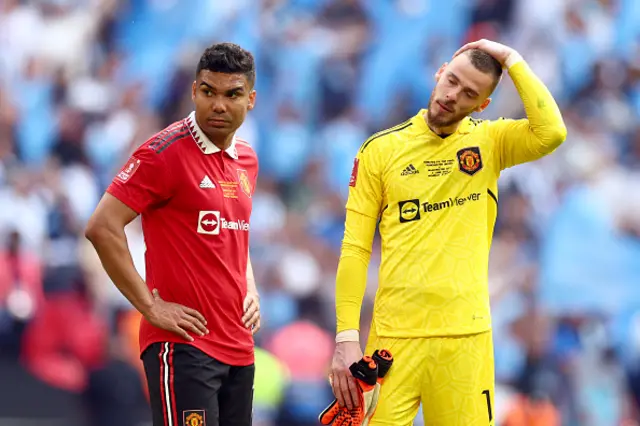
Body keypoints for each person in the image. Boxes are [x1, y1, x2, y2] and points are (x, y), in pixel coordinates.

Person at [328, 39, 568, 425]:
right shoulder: (379, 151)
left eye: (469, 93)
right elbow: (355, 248)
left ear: (482, 105)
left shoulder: (490, 143)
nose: (452, 95)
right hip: (393, 340)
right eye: (452, 80)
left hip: (464, 339)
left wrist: (512, 60)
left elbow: (552, 133)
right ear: (440, 72)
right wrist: (345, 337)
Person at [85, 42, 261, 426]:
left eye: (232, 95)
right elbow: (102, 227)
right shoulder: (163, 153)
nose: (218, 105)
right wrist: (150, 306)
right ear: (194, 90)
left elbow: (234, 232)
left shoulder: (247, 159)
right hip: (183, 346)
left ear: (250, 100)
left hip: (238, 346)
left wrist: (249, 285)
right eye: (208, 92)